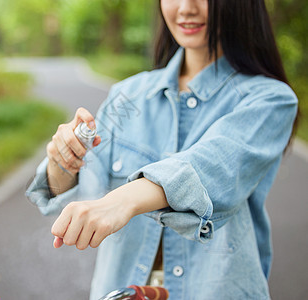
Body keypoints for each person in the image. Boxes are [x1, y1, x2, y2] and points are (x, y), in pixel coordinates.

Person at [26, 0, 299, 299]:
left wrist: (121, 202)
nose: (185, 8)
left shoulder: (269, 100)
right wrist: (62, 159)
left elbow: (212, 166)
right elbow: (85, 197)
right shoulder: (127, 98)